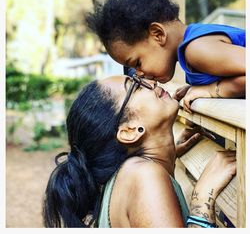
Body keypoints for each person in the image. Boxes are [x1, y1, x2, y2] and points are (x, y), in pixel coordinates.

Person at [43, 75, 236, 227]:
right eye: (135, 86)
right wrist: (202, 198)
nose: (149, 81)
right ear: (129, 131)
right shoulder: (143, 176)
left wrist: (169, 153)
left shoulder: (134, 174)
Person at [86, 0, 245, 113]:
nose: (139, 74)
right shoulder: (191, 49)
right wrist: (197, 87)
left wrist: (212, 89)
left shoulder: (196, 49)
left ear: (158, 34)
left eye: (137, 63)